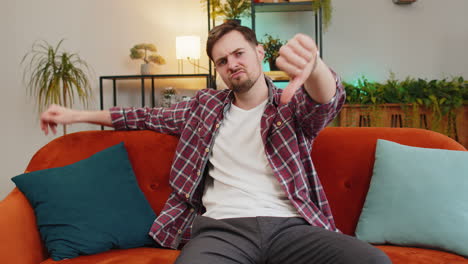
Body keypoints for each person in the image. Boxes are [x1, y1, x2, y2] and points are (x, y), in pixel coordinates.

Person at [40, 21, 391, 264]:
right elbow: (140, 116)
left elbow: (325, 102)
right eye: (222, 61)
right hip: (221, 229)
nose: (232, 65)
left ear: (258, 51)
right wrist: (74, 115)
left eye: (238, 54)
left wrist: (315, 68)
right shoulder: (203, 107)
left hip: (290, 226)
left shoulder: (289, 105)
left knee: (372, 259)